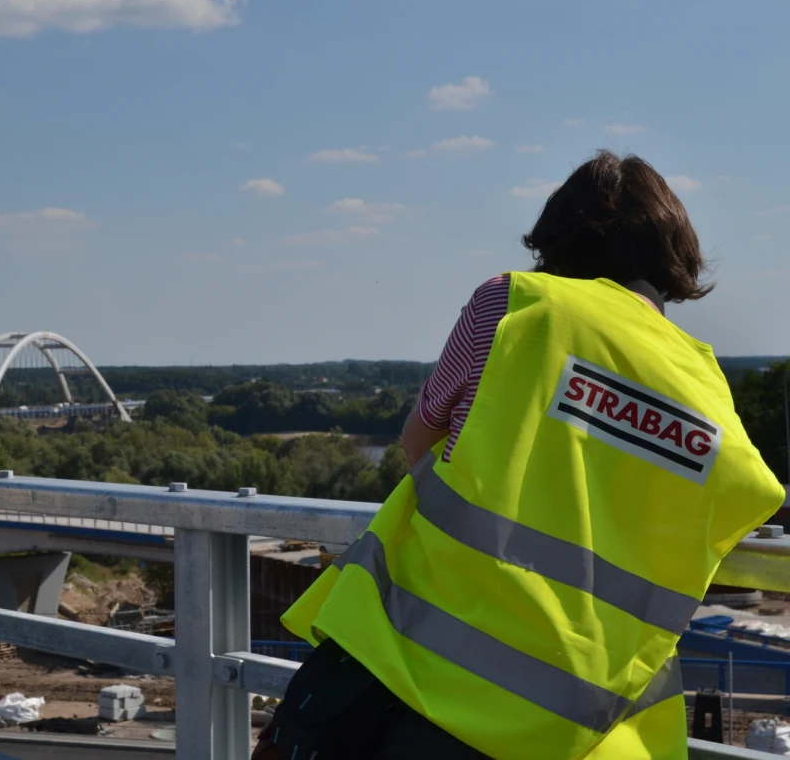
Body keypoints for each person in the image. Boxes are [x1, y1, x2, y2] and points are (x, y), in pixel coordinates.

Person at [253, 150, 786, 760]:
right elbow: (749, 491)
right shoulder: (703, 381)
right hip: (585, 724)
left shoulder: (515, 305)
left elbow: (418, 440)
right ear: (673, 256)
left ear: (559, 240)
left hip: (417, 679)